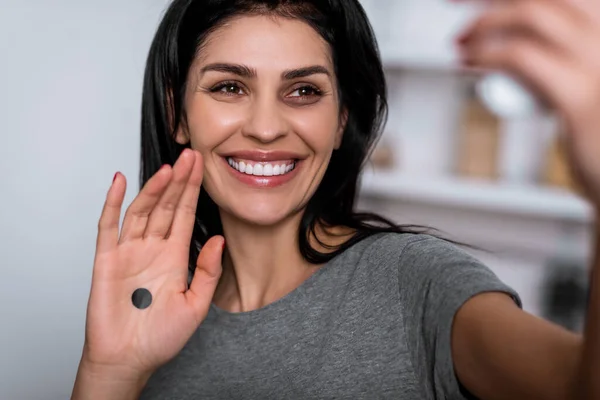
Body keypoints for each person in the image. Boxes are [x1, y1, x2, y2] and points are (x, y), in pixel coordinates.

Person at [71, 0, 600, 399]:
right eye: (230, 87)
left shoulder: (417, 283)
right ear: (177, 114)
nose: (265, 128)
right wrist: (109, 372)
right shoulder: (149, 307)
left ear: (341, 118)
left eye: (303, 91)